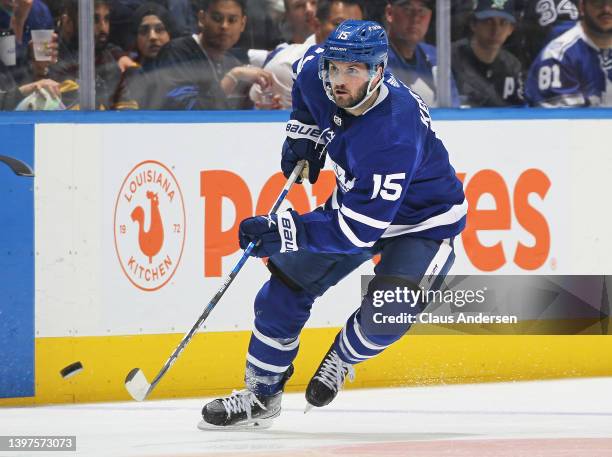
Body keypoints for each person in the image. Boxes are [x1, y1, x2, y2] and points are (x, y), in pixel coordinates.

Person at [199, 19, 467, 429]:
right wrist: (302, 137)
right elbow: (307, 93)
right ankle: (260, 396)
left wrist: (284, 232)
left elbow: (360, 232)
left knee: (388, 313)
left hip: (422, 223)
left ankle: (342, 357)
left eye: (353, 70)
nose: (339, 80)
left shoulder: (393, 132)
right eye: (335, 67)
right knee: (281, 292)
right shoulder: (314, 70)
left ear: (378, 71)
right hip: (356, 205)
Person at [152, 0, 274, 109]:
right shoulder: (176, 53)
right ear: (201, 18)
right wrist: (232, 77)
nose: (224, 26)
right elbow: (187, 111)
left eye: (232, 20)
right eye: (217, 18)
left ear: (242, 24)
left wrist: (260, 110)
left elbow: (235, 116)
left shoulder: (232, 62)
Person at [250, 0, 364, 109]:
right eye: (339, 25)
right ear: (317, 25)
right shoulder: (287, 66)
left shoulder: (369, 66)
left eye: (358, 28)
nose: (351, 36)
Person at [49, 0, 137, 109]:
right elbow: (73, 115)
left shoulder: (108, 58)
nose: (103, 28)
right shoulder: (54, 60)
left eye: (106, 19)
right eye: (94, 20)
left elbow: (128, 110)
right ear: (68, 23)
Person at [525, 0, 612, 107]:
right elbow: (562, 121)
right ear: (582, 7)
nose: (607, 9)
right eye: (598, 2)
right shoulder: (557, 56)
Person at [385, 0, 460, 106]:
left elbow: (454, 115)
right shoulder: (373, 60)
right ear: (389, 13)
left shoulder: (436, 58)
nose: (415, 18)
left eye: (422, 10)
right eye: (407, 9)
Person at [451, 0, 524, 107]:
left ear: (511, 29)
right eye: (488, 22)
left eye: (503, 23)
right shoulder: (451, 58)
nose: (496, 30)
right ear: (473, 24)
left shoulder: (512, 66)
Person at [121, 2, 175, 109]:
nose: (152, 37)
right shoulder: (127, 75)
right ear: (135, 38)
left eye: (159, 29)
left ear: (170, 34)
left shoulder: (183, 70)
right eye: (144, 31)